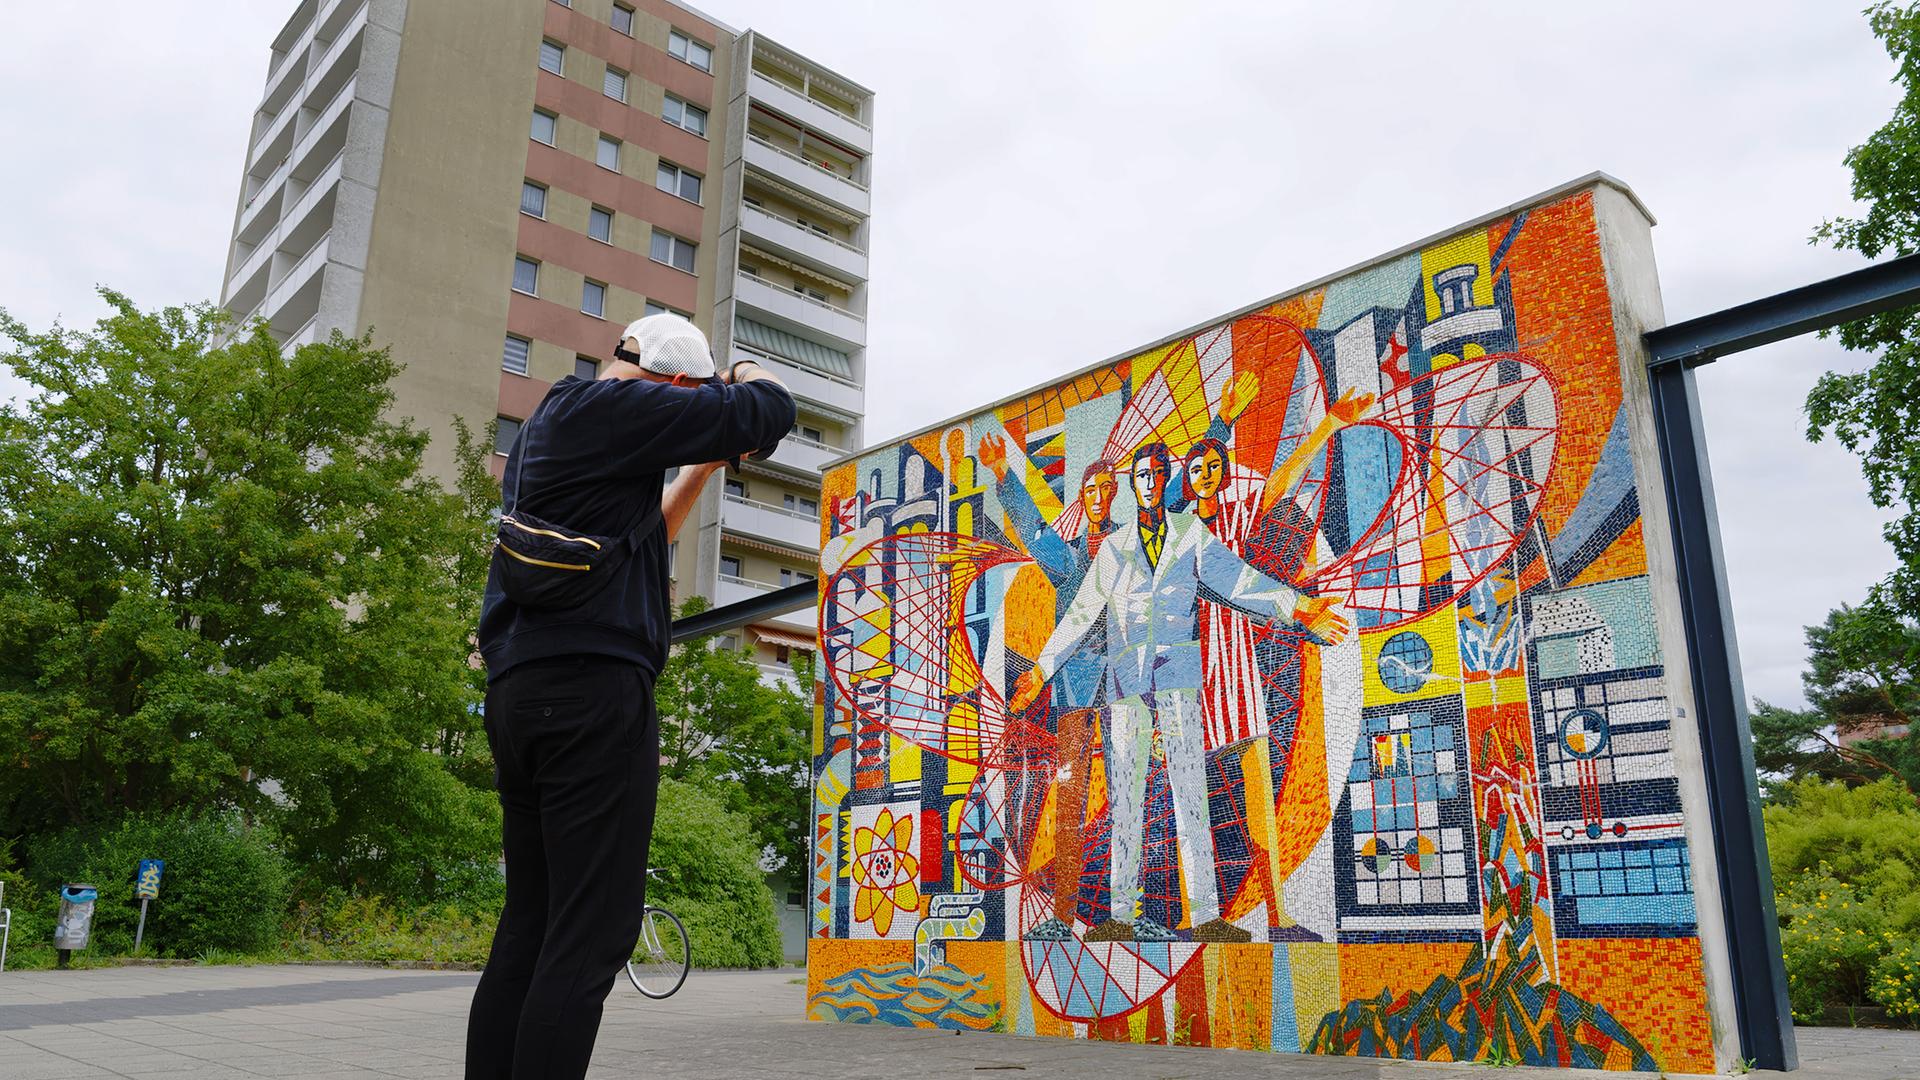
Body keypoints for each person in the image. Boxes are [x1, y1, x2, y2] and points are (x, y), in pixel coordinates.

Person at [468, 314, 794, 1079]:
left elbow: (643, 535)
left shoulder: (571, 429)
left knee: (534, 924)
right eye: (687, 401)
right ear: (672, 386)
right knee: (589, 936)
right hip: (590, 694)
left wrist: (702, 466)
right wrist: (743, 377)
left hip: (527, 693)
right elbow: (768, 411)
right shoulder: (606, 409)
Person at [1010, 442, 1348, 944]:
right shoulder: (1113, 547)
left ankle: (1206, 914)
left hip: (1177, 680)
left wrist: (1299, 608)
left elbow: (1240, 581)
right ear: (1134, 485)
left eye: (1156, 475)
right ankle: (1122, 914)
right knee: (1127, 795)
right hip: (1126, 686)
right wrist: (1040, 670)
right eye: (1141, 475)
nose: (1149, 483)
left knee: (1191, 792)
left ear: (1165, 479)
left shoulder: (1191, 534)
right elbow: (1081, 613)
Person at [977, 435, 1117, 941]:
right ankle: (1062, 915)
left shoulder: (1134, 544)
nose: (1098, 495)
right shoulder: (1069, 557)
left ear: (1117, 491)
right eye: (1090, 489)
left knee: (1129, 795)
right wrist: (1003, 476)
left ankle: (1126, 912)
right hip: (1075, 686)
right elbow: (1036, 531)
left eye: (1106, 487)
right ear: (1083, 497)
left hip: (1127, 683)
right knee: (1070, 795)